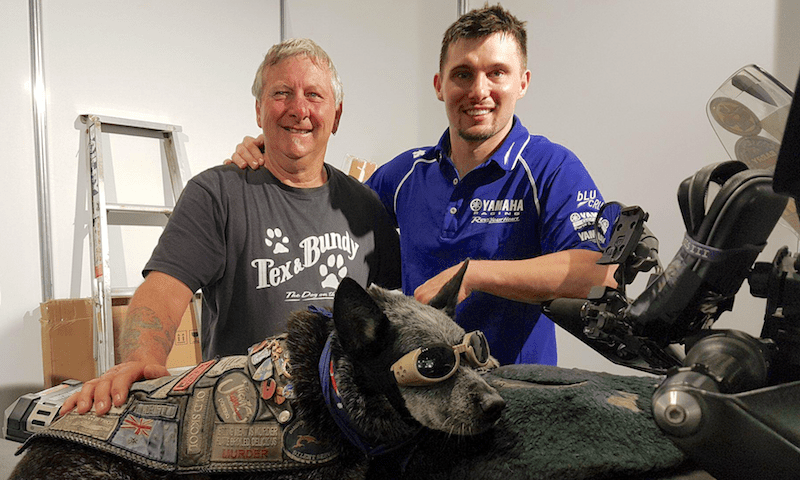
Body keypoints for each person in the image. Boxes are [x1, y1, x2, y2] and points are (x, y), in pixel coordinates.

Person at [228, 5, 617, 367]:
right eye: (462, 74)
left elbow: (601, 274)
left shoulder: (551, 168)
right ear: (439, 85)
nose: (478, 90)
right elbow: (322, 205)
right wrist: (277, 153)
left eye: (497, 73)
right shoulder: (406, 174)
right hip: (419, 395)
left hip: (516, 398)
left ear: (523, 83)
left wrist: (473, 275)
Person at [65, 38, 401, 416]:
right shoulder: (216, 194)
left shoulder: (366, 208)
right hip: (242, 419)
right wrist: (141, 358)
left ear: (336, 116)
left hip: (343, 420)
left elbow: (397, 313)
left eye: (314, 95)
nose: (298, 109)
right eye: (282, 93)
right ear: (259, 110)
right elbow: (164, 291)